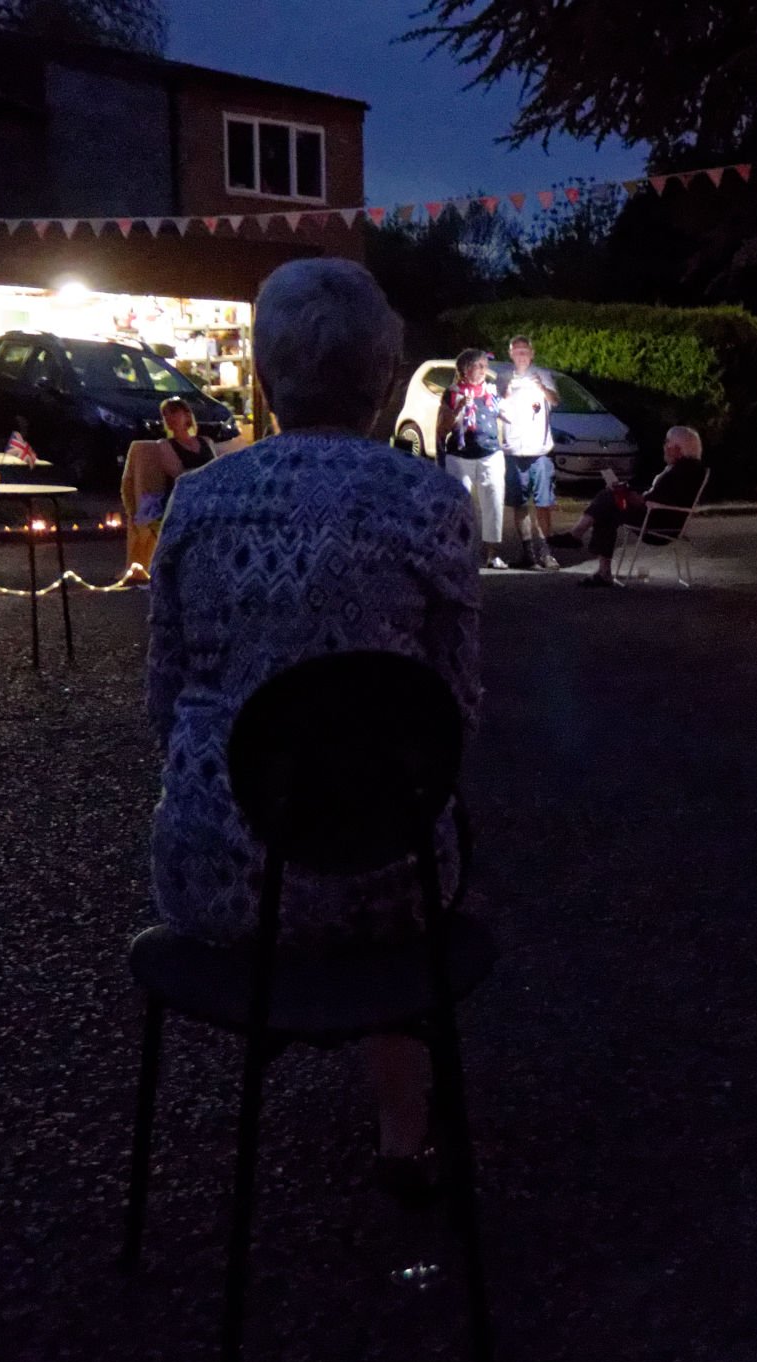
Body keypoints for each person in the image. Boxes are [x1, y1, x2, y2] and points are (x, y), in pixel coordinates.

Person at [145, 258, 481, 1202]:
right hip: (392, 875)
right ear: (383, 379)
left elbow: (163, 704)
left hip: (222, 876)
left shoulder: (199, 501)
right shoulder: (433, 505)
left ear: (264, 378)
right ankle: (403, 1134)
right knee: (396, 829)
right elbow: (456, 714)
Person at [556, 425, 710, 587]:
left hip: (658, 523)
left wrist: (629, 495)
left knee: (608, 499)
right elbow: (662, 497)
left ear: (679, 448)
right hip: (664, 519)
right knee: (608, 505)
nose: (664, 447)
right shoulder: (689, 469)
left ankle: (582, 542)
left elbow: (653, 500)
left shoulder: (681, 471)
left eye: (667, 443)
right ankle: (595, 561)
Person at [120, 396, 217, 571]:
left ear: (187, 415)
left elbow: (217, 470)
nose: (169, 418)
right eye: (165, 415)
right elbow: (179, 474)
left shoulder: (206, 442)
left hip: (208, 493)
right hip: (181, 497)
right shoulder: (165, 445)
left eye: (174, 413)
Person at [436, 348, 510, 569]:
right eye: (480, 366)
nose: (484, 371)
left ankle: (492, 554)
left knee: (494, 502)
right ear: (466, 369)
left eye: (485, 366)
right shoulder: (452, 392)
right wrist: (460, 406)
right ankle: (459, 551)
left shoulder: (491, 391)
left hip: (491, 454)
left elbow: (506, 415)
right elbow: (443, 428)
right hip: (460, 457)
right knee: (460, 505)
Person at [498, 336, 561, 569]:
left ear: (532, 353)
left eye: (525, 351)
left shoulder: (542, 374)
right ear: (511, 354)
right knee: (519, 503)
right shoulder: (504, 377)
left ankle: (546, 552)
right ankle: (528, 552)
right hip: (514, 449)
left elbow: (555, 401)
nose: (521, 355)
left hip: (540, 450)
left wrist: (542, 388)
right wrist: (504, 395)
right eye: (517, 351)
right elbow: (496, 407)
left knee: (543, 502)